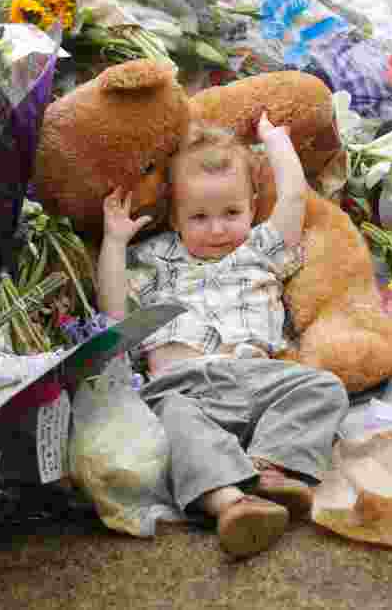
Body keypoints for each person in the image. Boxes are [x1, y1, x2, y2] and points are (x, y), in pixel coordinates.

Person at [97, 114, 349, 559]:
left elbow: (293, 196)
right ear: (174, 216)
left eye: (231, 213)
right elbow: (115, 314)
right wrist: (114, 244)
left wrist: (275, 141)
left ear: (253, 206)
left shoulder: (260, 249)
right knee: (173, 426)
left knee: (323, 387)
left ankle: (269, 468)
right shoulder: (155, 261)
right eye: (199, 217)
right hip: (184, 387)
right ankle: (232, 505)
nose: (218, 230)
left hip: (258, 377)